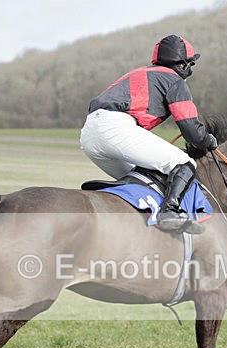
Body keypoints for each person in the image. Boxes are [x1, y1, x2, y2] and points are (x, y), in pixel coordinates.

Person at [80, 34, 218, 234]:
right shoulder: (175, 81)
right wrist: (208, 140)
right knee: (185, 164)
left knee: (145, 179)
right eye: (190, 64)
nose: (190, 69)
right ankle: (169, 212)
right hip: (116, 127)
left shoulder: (139, 72)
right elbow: (192, 132)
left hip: (89, 134)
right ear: (182, 64)